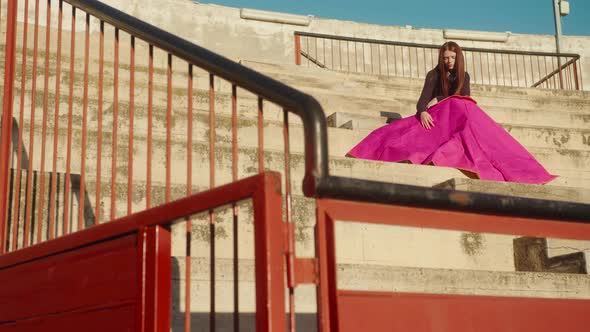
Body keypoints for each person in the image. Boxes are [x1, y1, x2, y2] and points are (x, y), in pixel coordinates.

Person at [347, 41, 557, 184]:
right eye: (445, 58)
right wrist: (422, 112)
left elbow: (464, 99)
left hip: (458, 113)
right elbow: (421, 102)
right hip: (438, 116)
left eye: (452, 58)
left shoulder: (464, 75)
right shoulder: (434, 74)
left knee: (468, 112)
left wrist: (441, 99)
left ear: (458, 58)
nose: (448, 61)